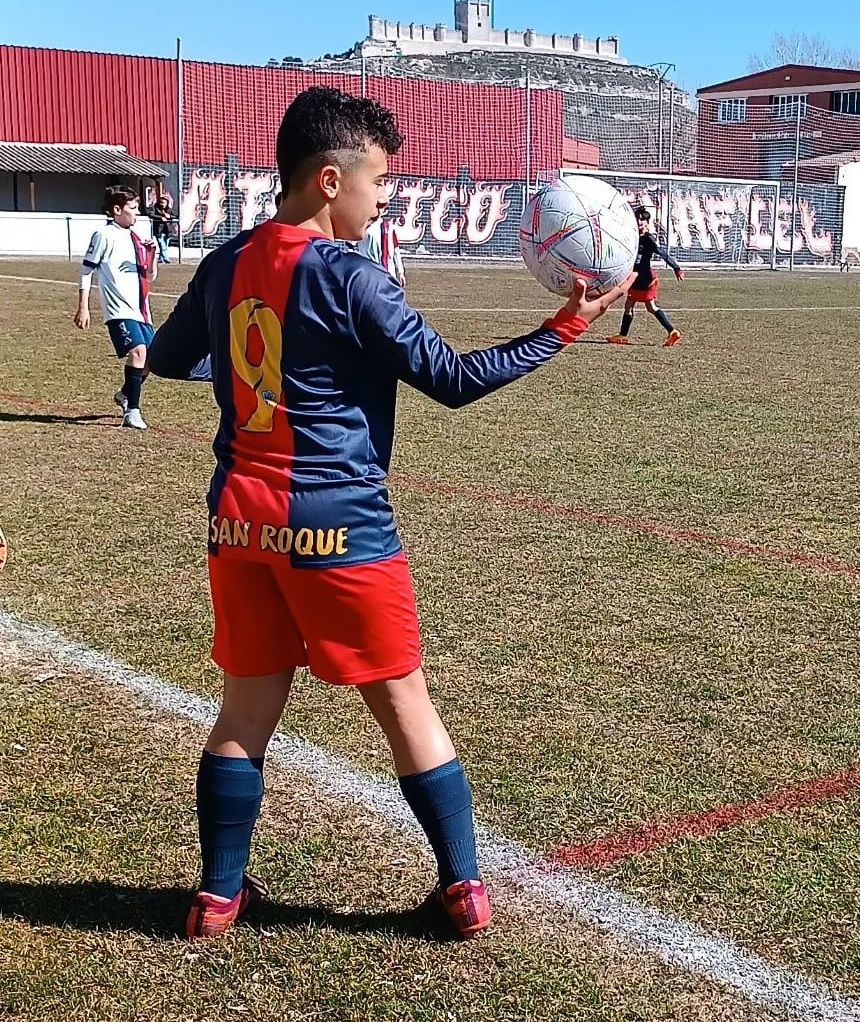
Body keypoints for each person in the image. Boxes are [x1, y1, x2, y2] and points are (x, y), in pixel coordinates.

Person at [145, 86, 633, 942]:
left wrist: (261, 379)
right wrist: (564, 325)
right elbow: (453, 379)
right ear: (329, 180)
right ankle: (461, 889)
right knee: (405, 703)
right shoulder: (350, 277)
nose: (386, 201)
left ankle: (218, 896)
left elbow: (173, 357)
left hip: (240, 522)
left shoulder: (224, 263)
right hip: (339, 528)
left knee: (244, 713)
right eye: (380, 184)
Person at [75, 185, 157, 430]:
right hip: (119, 310)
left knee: (153, 360)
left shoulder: (137, 237)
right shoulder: (103, 235)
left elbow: (150, 276)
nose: (137, 213)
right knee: (139, 352)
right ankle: (132, 411)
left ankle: (124, 394)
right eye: (133, 208)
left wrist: (151, 255)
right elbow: (85, 270)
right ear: (117, 210)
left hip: (141, 310)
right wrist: (83, 307)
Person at [607, 206, 684, 347]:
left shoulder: (649, 239)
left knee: (647, 307)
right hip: (636, 277)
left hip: (646, 279)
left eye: (643, 219)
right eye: (637, 219)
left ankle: (672, 331)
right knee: (632, 306)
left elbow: (662, 253)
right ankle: (623, 336)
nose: (640, 221)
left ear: (648, 222)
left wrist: (676, 267)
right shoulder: (633, 236)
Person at [359, 214, 405, 286]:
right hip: (373, 273)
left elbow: (396, 249)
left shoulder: (389, 227)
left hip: (389, 272)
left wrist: (400, 272)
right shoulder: (366, 229)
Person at [151, 194, 175, 263]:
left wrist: (169, 216)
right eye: (161, 202)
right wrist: (160, 218)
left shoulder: (169, 210)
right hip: (159, 230)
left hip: (168, 230)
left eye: (164, 203)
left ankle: (161, 259)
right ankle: (166, 258)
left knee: (165, 246)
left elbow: (175, 216)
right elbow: (151, 214)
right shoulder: (155, 208)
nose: (162, 204)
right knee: (162, 245)